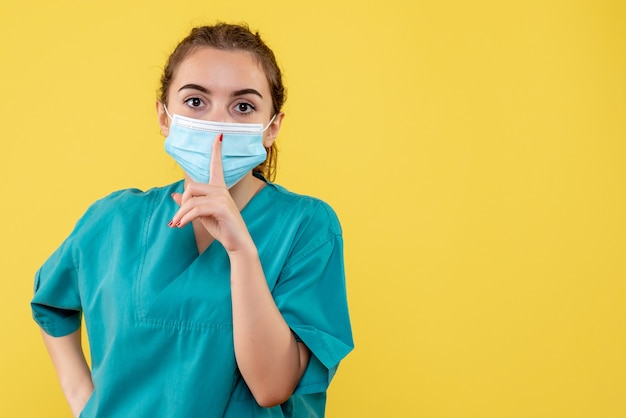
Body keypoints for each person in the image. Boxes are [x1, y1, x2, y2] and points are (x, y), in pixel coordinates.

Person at [31, 23, 353, 417]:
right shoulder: (114, 220)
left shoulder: (306, 227)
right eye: (196, 102)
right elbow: (51, 303)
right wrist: (84, 401)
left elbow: (272, 386)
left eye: (243, 106)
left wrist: (241, 251)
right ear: (164, 117)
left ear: (272, 128)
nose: (218, 124)